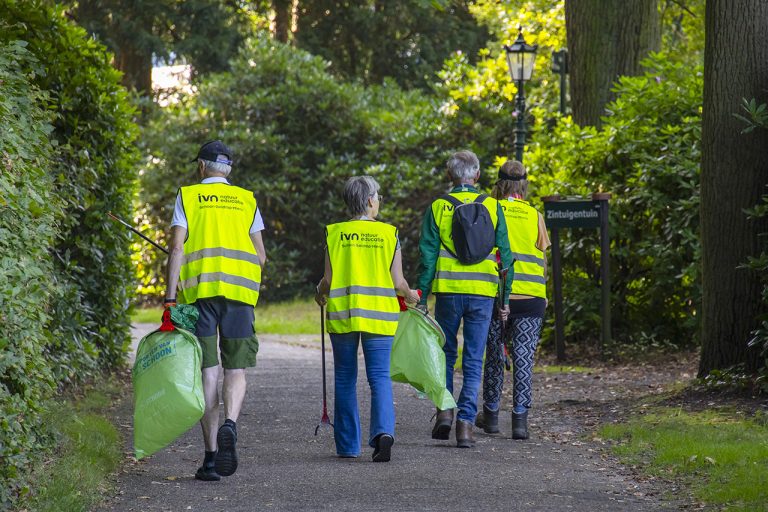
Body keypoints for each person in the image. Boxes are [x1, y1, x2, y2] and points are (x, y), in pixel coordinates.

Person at [164, 140, 266, 481]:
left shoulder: (188, 196)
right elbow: (261, 257)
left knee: (208, 371)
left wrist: (168, 299)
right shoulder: (247, 199)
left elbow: (177, 247)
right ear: (229, 170)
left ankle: (209, 459)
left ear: (202, 167)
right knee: (236, 369)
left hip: (200, 295)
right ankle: (231, 425)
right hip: (239, 295)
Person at [315, 176, 420, 462]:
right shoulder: (389, 234)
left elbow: (328, 279)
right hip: (380, 316)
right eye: (379, 197)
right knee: (379, 377)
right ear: (371, 200)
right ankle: (383, 433)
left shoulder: (334, 233)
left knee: (346, 378)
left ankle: (349, 446)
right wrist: (411, 295)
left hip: (344, 314)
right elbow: (398, 282)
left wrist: (319, 293)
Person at [415, 150, 514, 448]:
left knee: (445, 352)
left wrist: (422, 294)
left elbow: (427, 255)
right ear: (478, 175)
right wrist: (504, 300)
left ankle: (444, 411)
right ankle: (466, 426)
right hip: (483, 293)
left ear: (450, 175)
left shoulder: (438, 207)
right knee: (474, 359)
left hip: (449, 291)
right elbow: (505, 259)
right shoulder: (494, 207)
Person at [475, 160, 550, 440]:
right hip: (531, 298)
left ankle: (491, 416)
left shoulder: (490, 210)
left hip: (497, 295)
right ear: (524, 185)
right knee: (523, 358)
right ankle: (520, 421)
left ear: (498, 183)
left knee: (494, 356)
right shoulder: (535, 215)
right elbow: (542, 263)